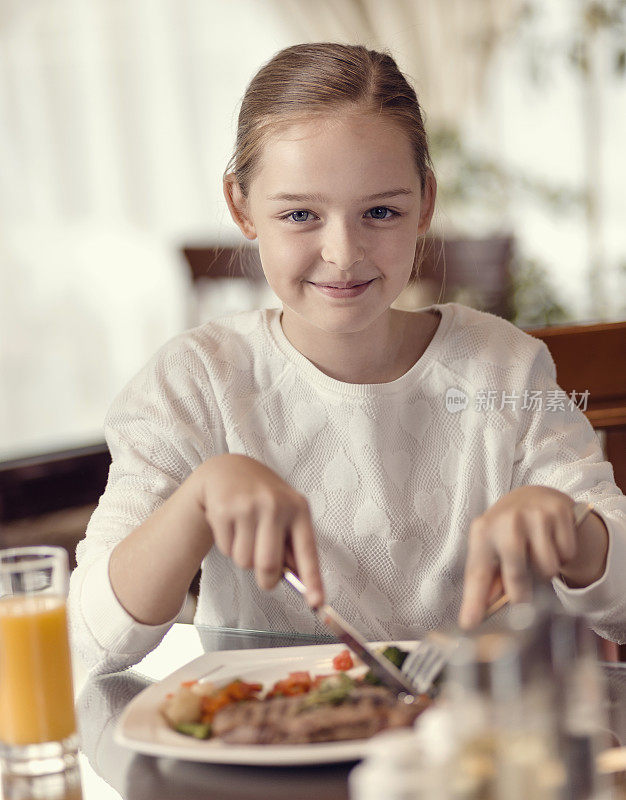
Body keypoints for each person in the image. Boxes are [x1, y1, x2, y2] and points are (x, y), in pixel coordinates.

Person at [69, 43, 626, 673]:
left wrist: (574, 527)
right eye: (301, 214)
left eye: (381, 212)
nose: (342, 253)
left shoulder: (502, 367)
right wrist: (195, 503)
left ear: (427, 203)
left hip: (474, 745)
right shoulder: (194, 383)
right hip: (265, 747)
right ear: (241, 206)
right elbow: (86, 643)